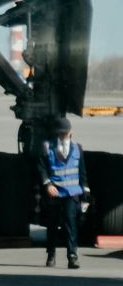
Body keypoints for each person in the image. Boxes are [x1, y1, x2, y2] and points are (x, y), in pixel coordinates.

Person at [39, 115, 90, 268]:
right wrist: (47, 184)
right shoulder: (48, 147)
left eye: (65, 133)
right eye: (60, 134)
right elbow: (41, 168)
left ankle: (72, 256)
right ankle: (51, 254)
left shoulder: (77, 148)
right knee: (53, 224)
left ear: (70, 133)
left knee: (70, 223)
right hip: (55, 192)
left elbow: (82, 172)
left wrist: (86, 192)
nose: (63, 136)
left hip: (72, 193)